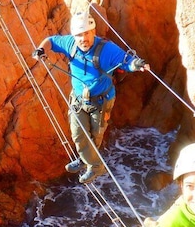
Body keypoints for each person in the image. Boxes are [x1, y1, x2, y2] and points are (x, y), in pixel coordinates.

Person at [33, 10, 149, 184]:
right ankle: (92, 164)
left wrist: (137, 64)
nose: (83, 38)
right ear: (74, 35)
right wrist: (41, 49)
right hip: (79, 100)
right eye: (79, 35)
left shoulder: (106, 49)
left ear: (93, 32)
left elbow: (126, 60)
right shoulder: (70, 44)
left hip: (101, 101)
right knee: (78, 134)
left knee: (95, 136)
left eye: (87, 33)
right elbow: (50, 41)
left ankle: (90, 162)